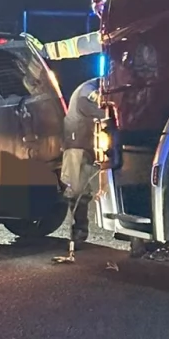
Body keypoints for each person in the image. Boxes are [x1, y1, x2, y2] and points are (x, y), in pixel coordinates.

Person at [61, 78, 102, 246]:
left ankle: (79, 232)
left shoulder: (89, 88)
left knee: (80, 190)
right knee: (77, 191)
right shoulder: (87, 91)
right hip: (77, 145)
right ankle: (78, 233)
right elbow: (90, 108)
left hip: (85, 144)